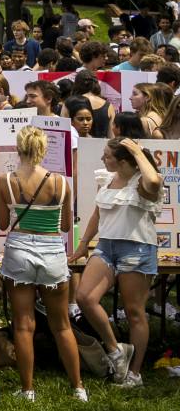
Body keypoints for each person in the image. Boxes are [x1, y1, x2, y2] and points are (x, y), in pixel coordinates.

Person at [0, 125, 85, 402]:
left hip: (19, 250)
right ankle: (78, 387)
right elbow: (67, 225)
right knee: (62, 325)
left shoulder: (5, 181)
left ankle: (28, 389)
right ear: (44, 149)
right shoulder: (60, 182)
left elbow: (1, 223)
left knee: (23, 324)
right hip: (52, 251)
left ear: (18, 148)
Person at [73, 135, 162, 388]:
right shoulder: (108, 178)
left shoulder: (144, 182)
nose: (102, 158)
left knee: (134, 312)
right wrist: (82, 246)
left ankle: (134, 374)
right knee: (85, 297)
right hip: (106, 246)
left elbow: (154, 180)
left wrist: (137, 151)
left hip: (138, 248)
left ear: (124, 160)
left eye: (108, 155)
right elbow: (98, 213)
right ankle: (115, 351)